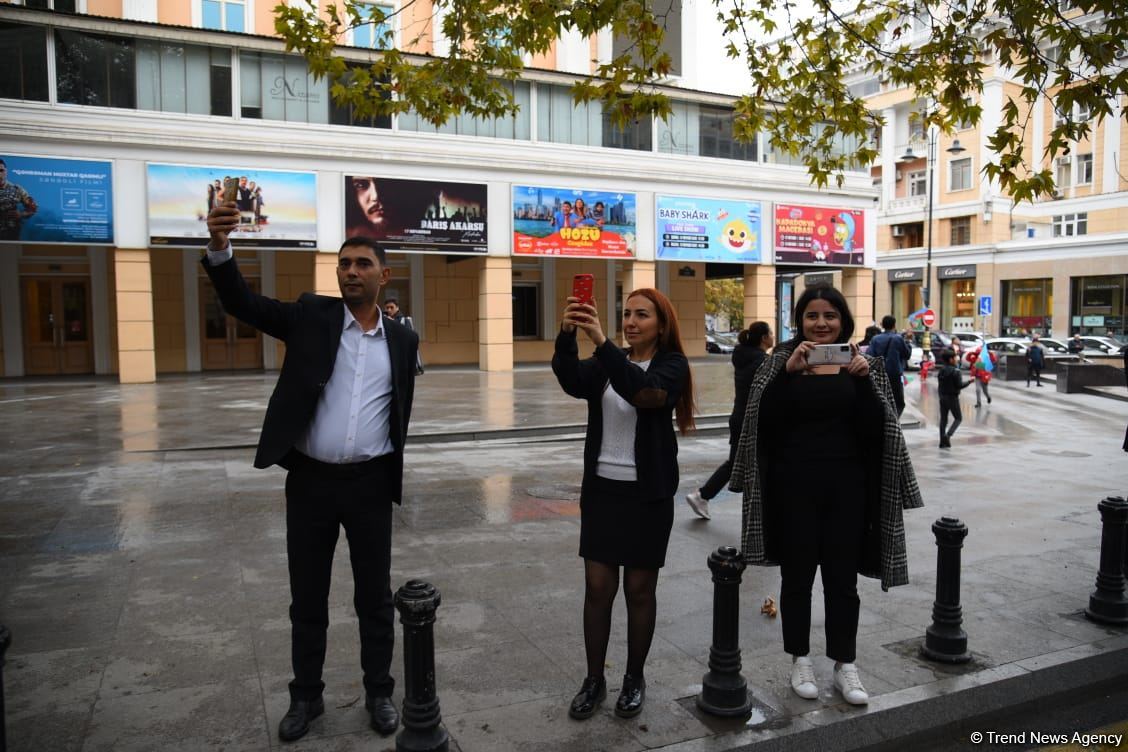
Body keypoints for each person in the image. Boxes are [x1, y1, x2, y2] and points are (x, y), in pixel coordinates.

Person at [203, 201, 419, 743]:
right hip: (310, 485)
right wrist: (221, 247)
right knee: (307, 598)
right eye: (344, 264)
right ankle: (306, 698)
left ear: (384, 275)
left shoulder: (402, 339)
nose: (351, 271)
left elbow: (399, 408)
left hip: (370, 485)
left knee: (375, 599)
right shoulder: (309, 316)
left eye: (362, 264)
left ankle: (379, 693)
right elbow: (243, 303)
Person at [729, 284, 922, 707]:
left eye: (830, 315)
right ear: (799, 321)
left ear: (843, 321)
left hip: (847, 490)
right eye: (812, 315)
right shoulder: (778, 363)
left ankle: (844, 663)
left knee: (842, 582)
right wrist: (788, 374)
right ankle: (799, 658)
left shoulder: (865, 364)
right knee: (797, 579)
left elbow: (879, 430)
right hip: (793, 489)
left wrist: (864, 382)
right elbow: (761, 424)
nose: (821, 323)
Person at [552, 287, 694, 721]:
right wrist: (567, 334)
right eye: (627, 313)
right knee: (598, 588)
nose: (631, 321)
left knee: (639, 590)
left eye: (642, 315)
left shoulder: (671, 365)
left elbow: (643, 394)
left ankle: (634, 678)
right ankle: (594, 679)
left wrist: (602, 343)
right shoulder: (607, 362)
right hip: (603, 493)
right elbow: (571, 379)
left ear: (661, 325)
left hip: (647, 495)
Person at [685, 321, 773, 520]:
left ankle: (703, 495)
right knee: (748, 463)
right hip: (752, 420)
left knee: (737, 462)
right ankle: (702, 495)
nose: (773, 337)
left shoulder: (743, 357)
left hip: (739, 416)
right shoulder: (762, 361)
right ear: (764, 338)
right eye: (770, 333)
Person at [866, 315, 912, 416]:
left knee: (882, 400)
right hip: (895, 375)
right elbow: (907, 355)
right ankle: (894, 419)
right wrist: (908, 341)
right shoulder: (898, 339)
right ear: (894, 325)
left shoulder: (875, 339)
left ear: (882, 325)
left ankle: (884, 419)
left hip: (880, 375)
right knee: (898, 402)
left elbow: (869, 355)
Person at [936, 349, 973, 448]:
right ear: (951, 359)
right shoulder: (956, 371)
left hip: (942, 397)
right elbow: (959, 385)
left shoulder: (941, 370)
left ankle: (942, 441)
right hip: (952, 398)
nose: (957, 359)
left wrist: (941, 396)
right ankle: (948, 436)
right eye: (955, 357)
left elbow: (940, 385)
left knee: (943, 420)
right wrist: (969, 381)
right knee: (958, 418)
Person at [0, 159, 39, 241]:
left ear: (6, 171)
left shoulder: (16, 189)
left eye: (1, 170)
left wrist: (21, 214)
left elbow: (33, 208)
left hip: (11, 235)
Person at [384, 297, 424, 375]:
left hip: (401, 354)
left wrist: (393, 324)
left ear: (397, 308)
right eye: (387, 308)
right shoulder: (383, 319)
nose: (389, 310)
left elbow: (408, 337)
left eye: (391, 307)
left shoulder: (404, 320)